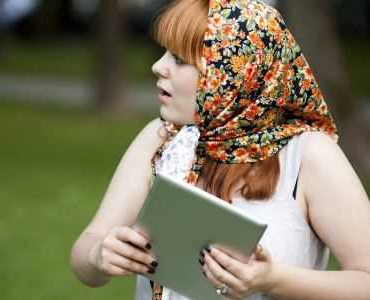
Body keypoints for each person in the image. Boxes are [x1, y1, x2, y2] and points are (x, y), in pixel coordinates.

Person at [69, 0, 370, 299]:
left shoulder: (306, 154)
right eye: (164, 53)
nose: (158, 67)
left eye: (179, 59)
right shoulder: (162, 139)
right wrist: (98, 256)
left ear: (235, 74)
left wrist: (272, 279)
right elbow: (86, 253)